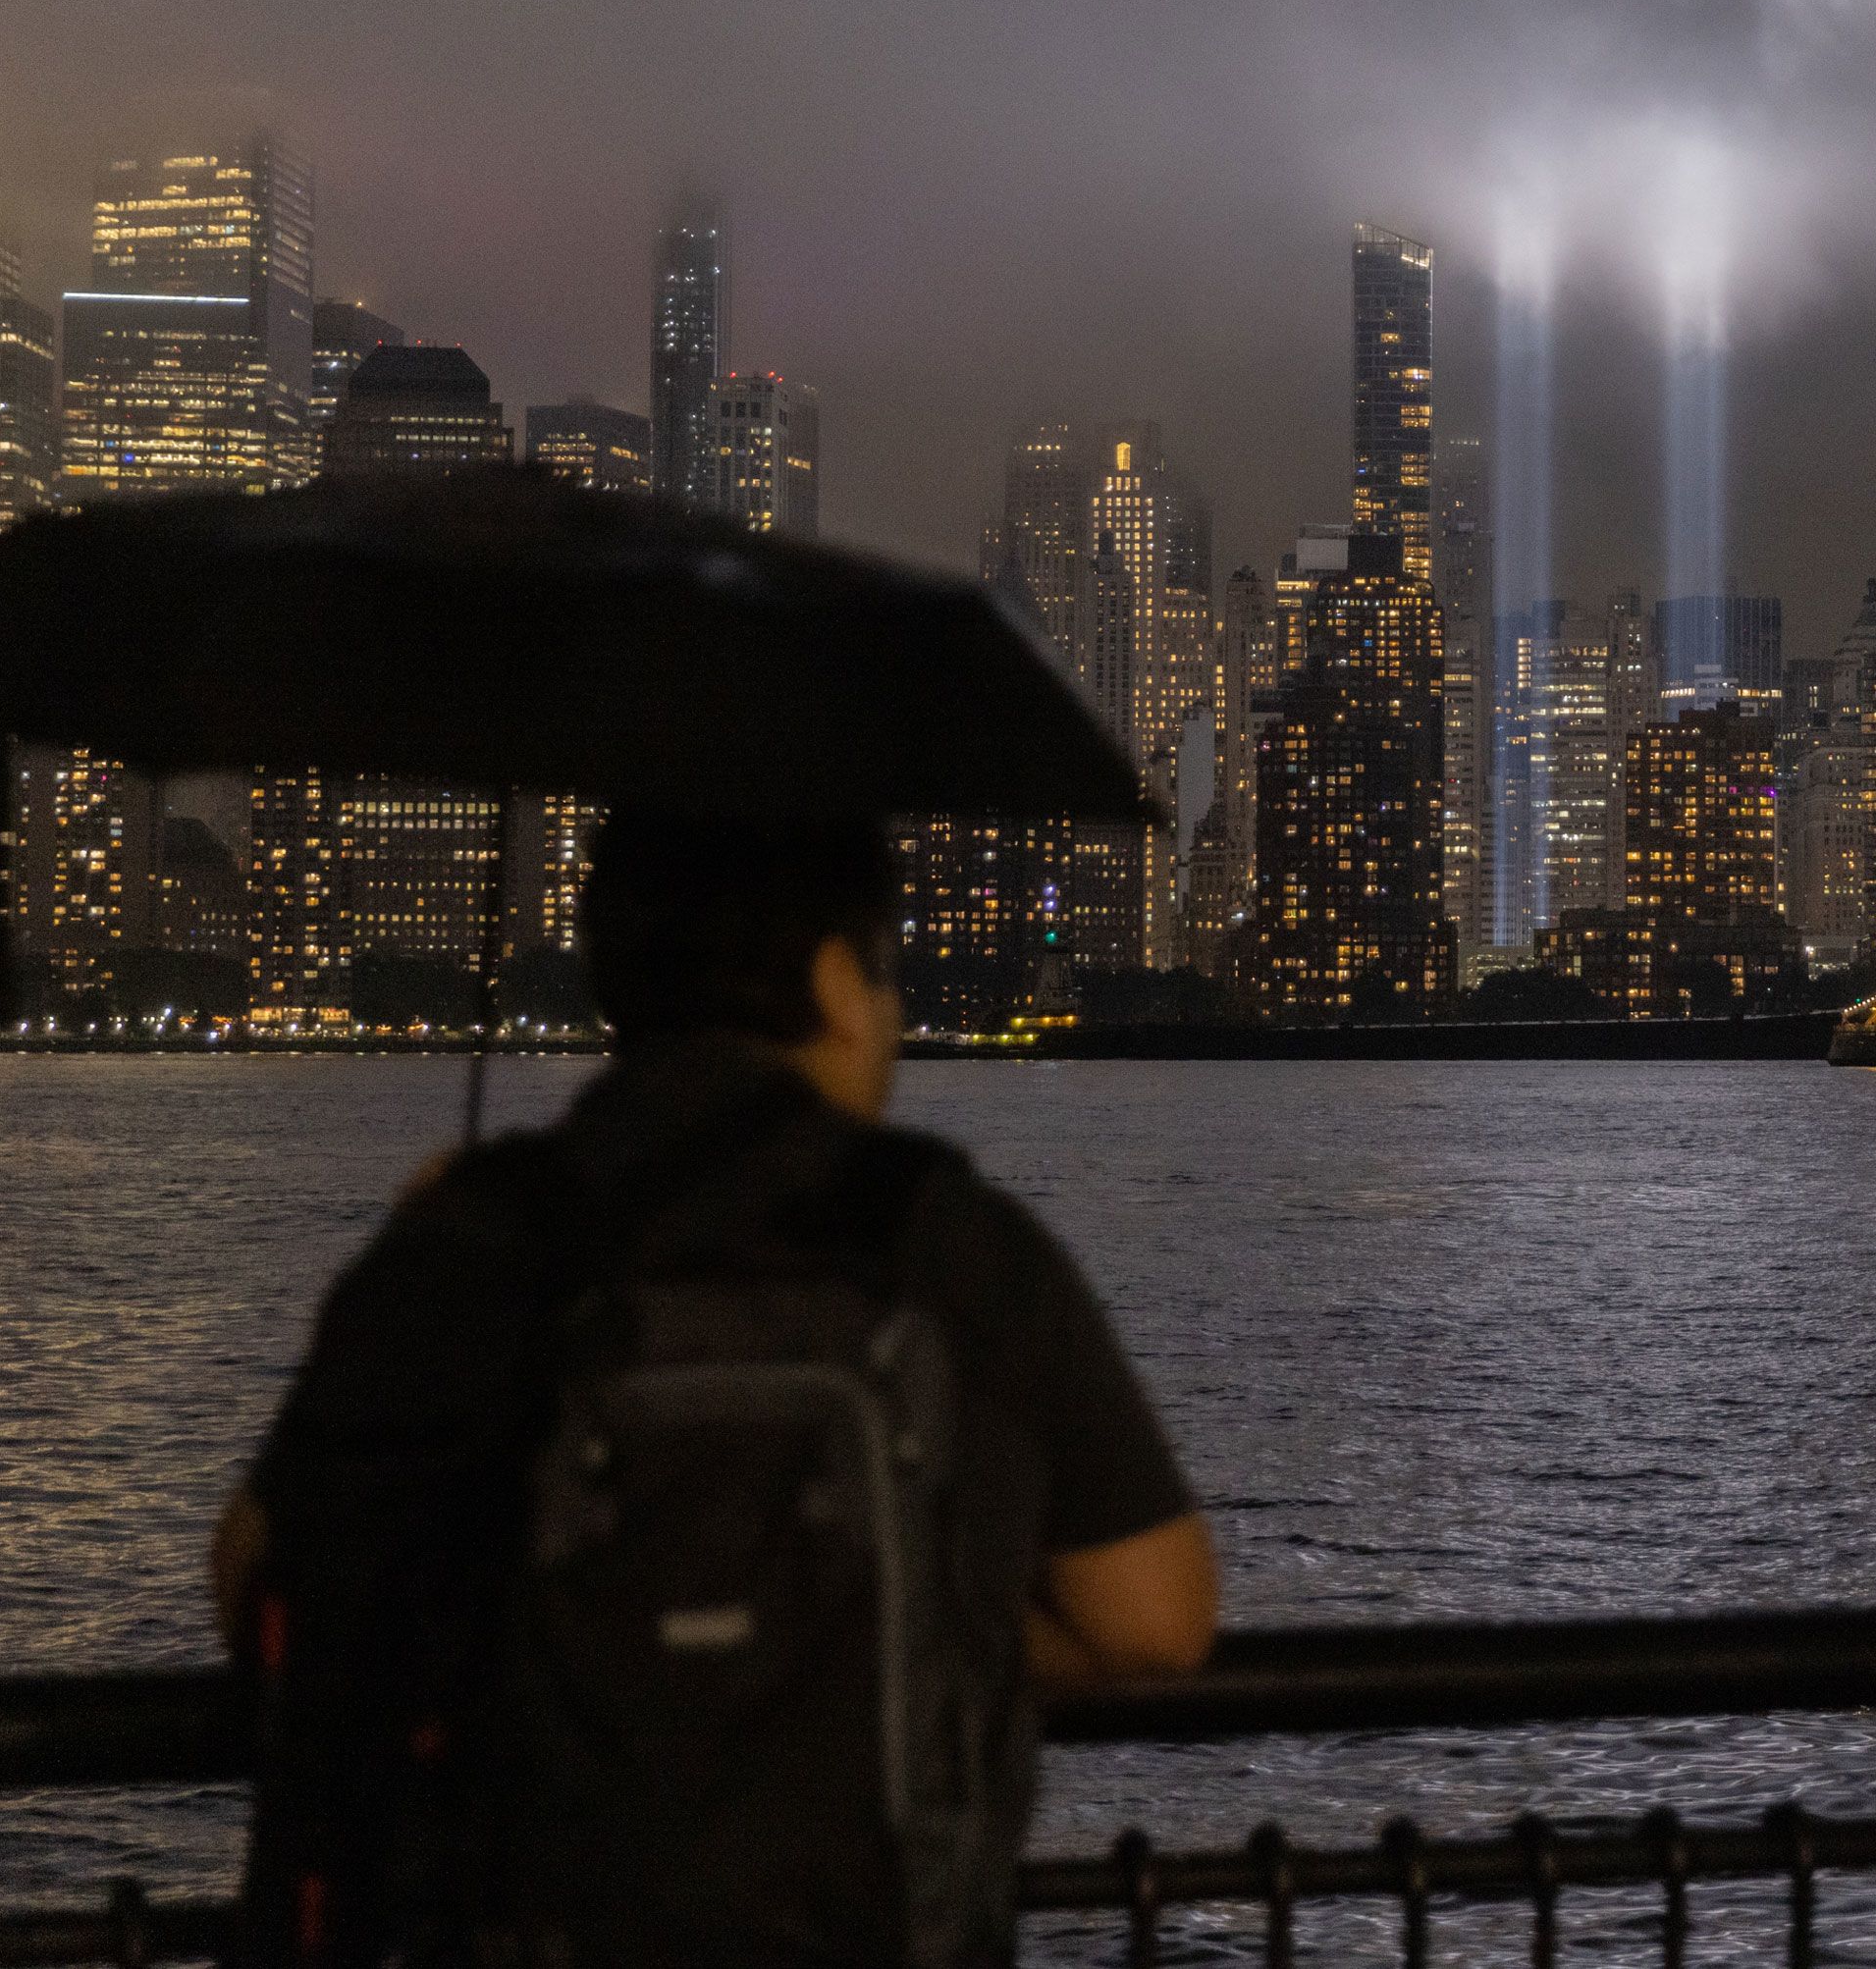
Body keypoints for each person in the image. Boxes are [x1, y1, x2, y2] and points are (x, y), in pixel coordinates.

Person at [212, 809, 1216, 1966]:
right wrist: (902, 1618)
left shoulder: (476, 1238)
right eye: (886, 976)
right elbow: (1157, 1619)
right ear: (841, 980)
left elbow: (255, 1574)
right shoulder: (956, 1248)